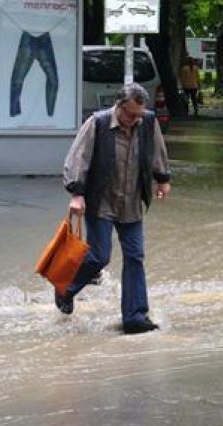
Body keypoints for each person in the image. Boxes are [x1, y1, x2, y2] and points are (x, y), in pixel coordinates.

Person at [57, 83, 171, 335]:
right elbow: (78, 158)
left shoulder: (147, 122)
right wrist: (77, 193)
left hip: (131, 200)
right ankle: (66, 287)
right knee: (100, 256)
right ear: (119, 107)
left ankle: (135, 317)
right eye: (130, 114)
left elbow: (157, 152)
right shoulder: (97, 123)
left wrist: (163, 179)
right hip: (102, 200)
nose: (133, 120)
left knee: (135, 256)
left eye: (138, 115)